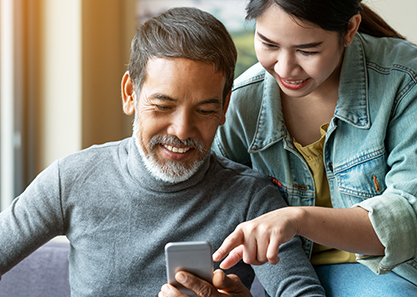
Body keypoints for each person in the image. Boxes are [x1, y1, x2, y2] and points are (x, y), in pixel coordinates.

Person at [0, 7, 325, 297]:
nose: (182, 131)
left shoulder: (251, 199)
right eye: (163, 106)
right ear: (130, 94)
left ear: (225, 107)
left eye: (204, 110)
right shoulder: (71, 179)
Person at [211, 0, 417, 295]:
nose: (285, 68)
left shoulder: (404, 79)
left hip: (380, 270)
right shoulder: (243, 103)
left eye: (307, 51)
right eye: (268, 44)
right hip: (281, 272)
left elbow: (408, 218)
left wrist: (298, 219)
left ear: (350, 29)